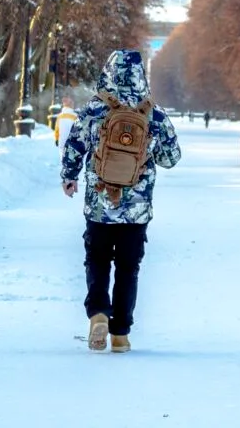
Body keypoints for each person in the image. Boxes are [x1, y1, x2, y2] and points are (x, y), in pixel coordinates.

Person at [61, 50, 181, 354]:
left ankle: (99, 313)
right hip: (137, 209)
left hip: (99, 203)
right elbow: (171, 158)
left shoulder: (96, 109)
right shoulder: (153, 113)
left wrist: (69, 176)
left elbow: (75, 145)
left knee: (97, 260)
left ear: (108, 71)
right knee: (129, 268)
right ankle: (120, 335)